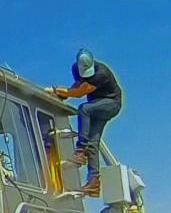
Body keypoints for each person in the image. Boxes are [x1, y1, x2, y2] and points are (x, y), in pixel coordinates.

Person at [50, 48, 122, 196]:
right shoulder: (76, 68)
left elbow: (79, 93)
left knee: (84, 109)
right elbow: (77, 85)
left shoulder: (101, 73)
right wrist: (65, 93)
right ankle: (94, 183)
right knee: (93, 143)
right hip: (96, 105)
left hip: (111, 103)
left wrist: (57, 90)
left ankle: (81, 150)